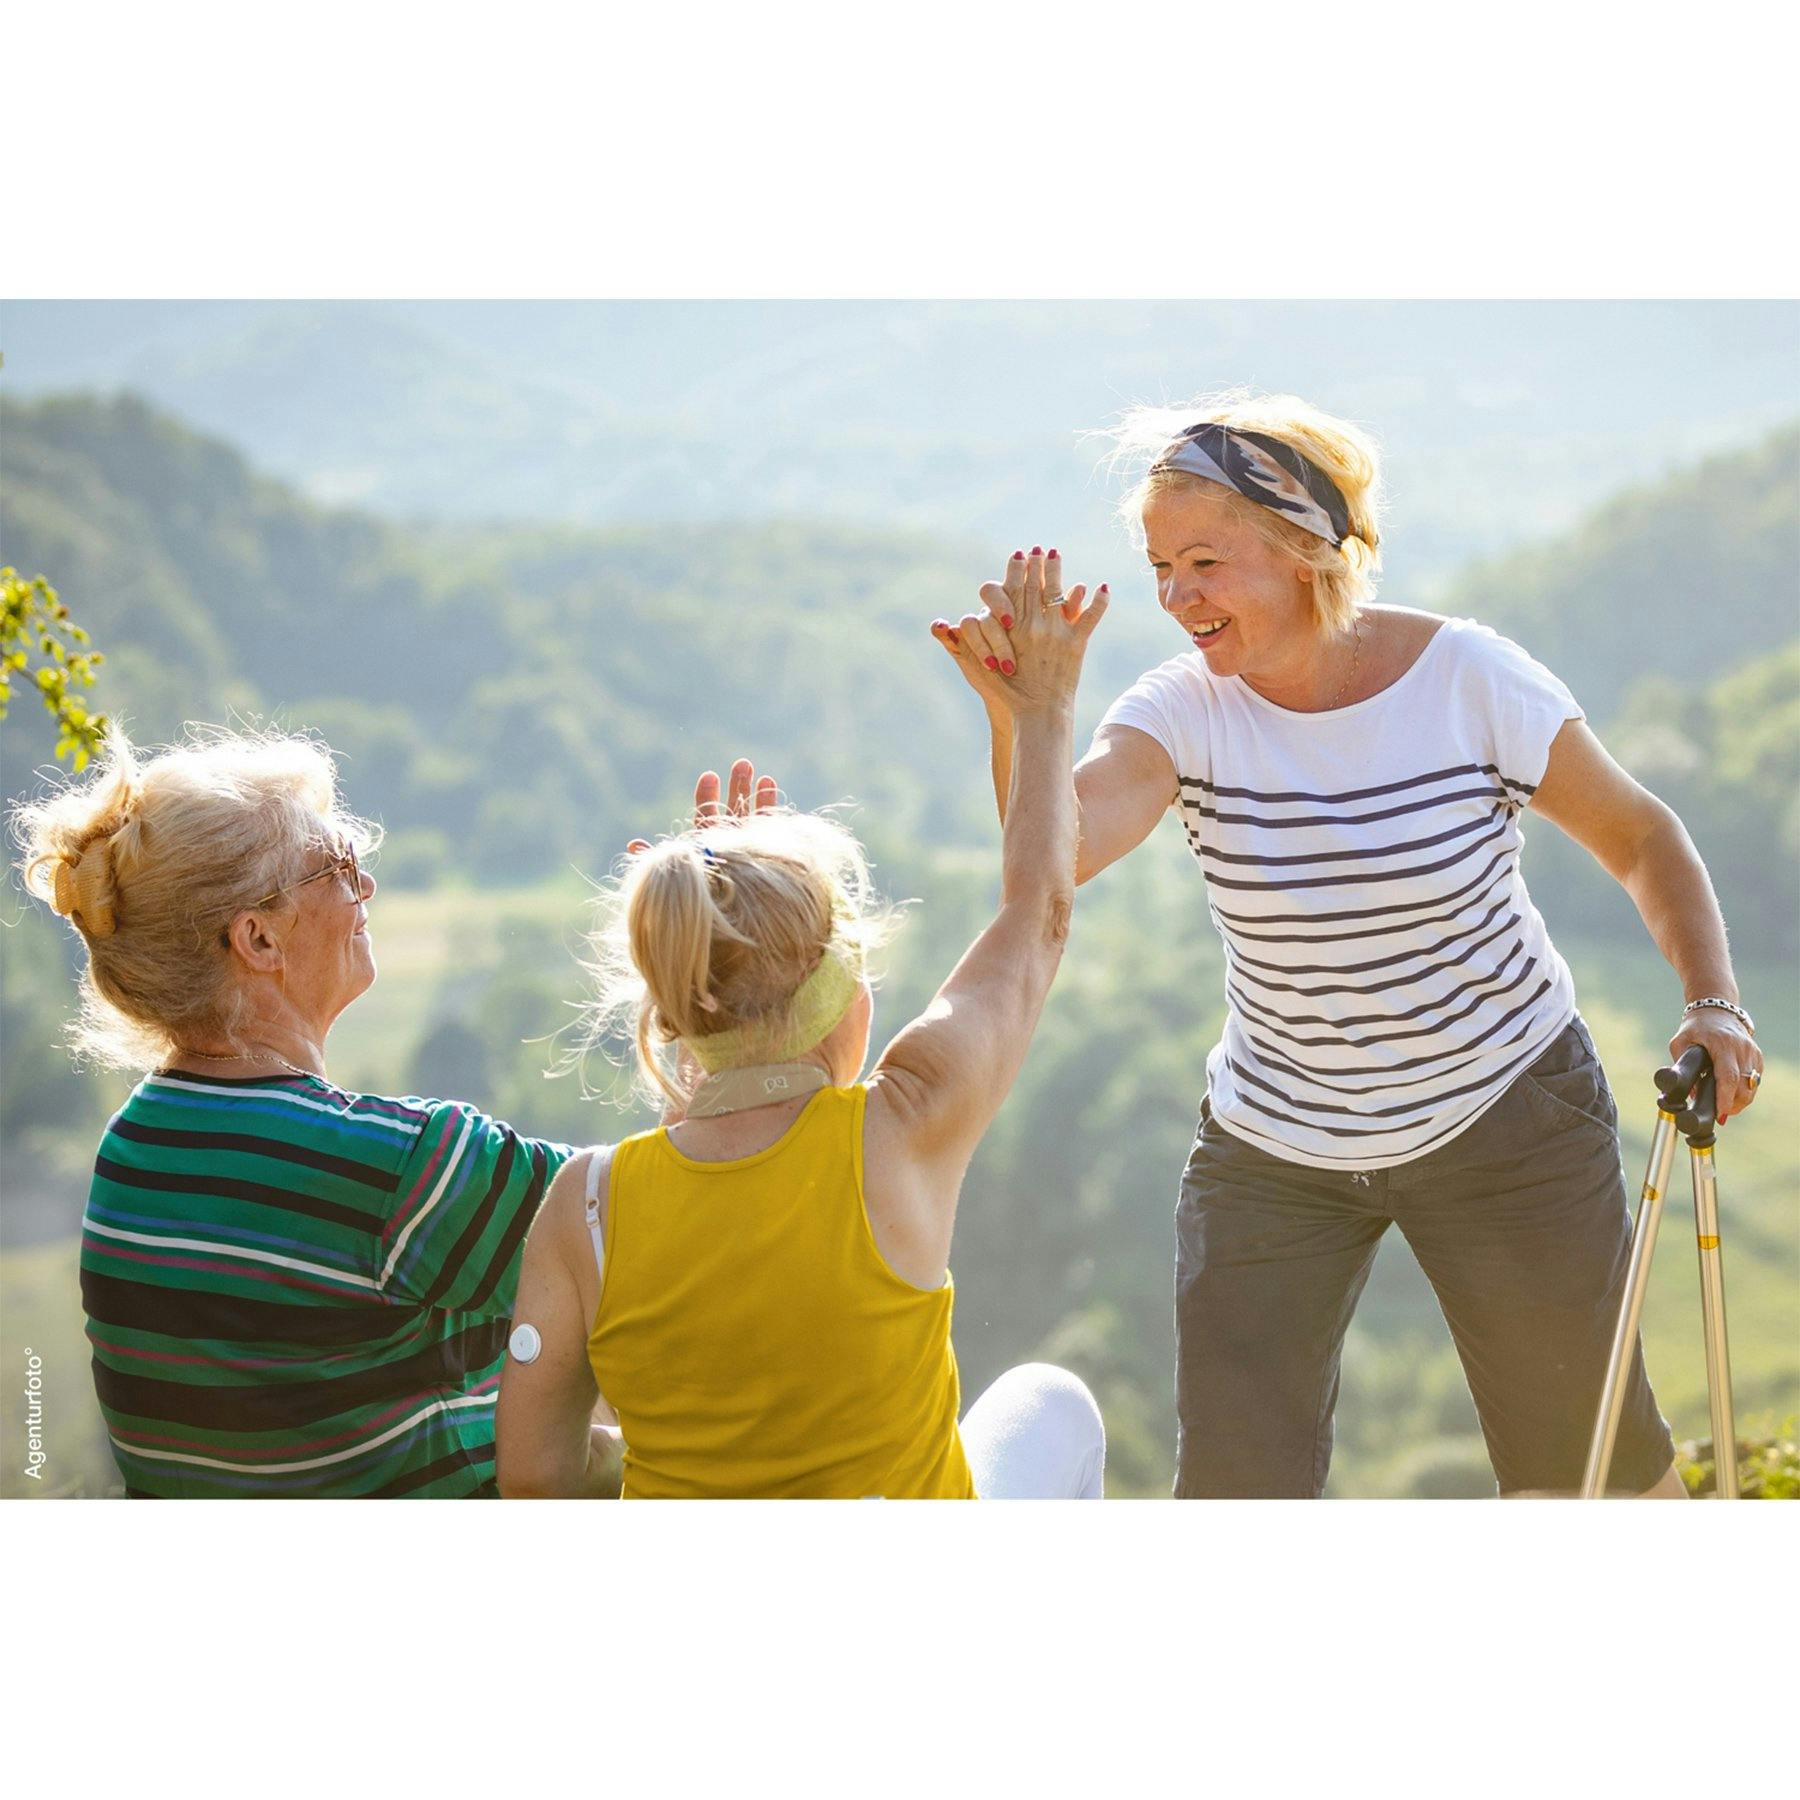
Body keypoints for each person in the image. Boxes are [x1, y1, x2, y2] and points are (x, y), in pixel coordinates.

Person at [934, 394, 1765, 1499]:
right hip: (1276, 1143)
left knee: (1592, 1477)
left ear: (1306, 551)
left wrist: (1714, 1000)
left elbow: (1644, 836)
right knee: (1238, 1493)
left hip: (1506, 1110)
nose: (1177, 597)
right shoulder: (1182, 710)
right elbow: (1054, 858)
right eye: (1158, 568)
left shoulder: (1470, 679)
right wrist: (1025, 719)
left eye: (1204, 563)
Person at [495, 593, 1112, 1499]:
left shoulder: (584, 1208)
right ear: (849, 1013)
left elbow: (537, 1483)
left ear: (677, 1020)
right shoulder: (904, 1126)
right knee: (1052, 1403)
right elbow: (1038, 913)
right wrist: (1044, 710)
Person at [13, 727, 577, 1497]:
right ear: (257, 937)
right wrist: (724, 962)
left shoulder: (132, 1147)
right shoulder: (392, 1169)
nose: (366, 887)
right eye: (338, 866)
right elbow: (664, 1219)